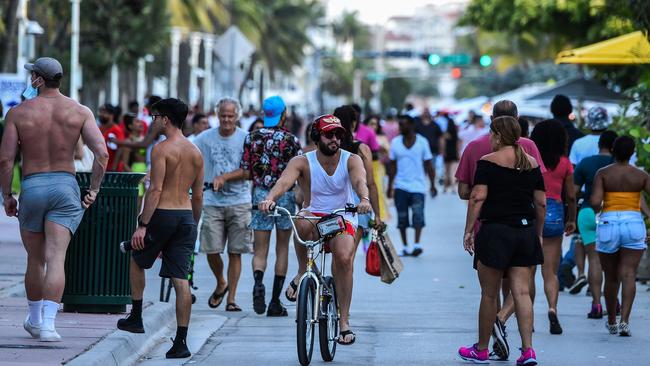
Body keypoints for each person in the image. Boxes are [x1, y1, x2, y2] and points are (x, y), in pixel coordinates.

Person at [0, 57, 108, 341]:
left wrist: (7, 195)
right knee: (56, 258)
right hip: (65, 186)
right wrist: (94, 188)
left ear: (37, 79)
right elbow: (102, 154)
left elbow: (5, 159)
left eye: (32, 75)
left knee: (35, 259)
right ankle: (48, 324)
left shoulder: (19, 113)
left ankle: (34, 320)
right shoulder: (80, 111)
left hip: (33, 186)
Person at [258, 114, 372, 345]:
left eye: (338, 134)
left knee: (343, 258)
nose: (335, 139)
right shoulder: (302, 161)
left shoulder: (351, 159)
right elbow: (283, 182)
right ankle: (302, 273)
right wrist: (270, 199)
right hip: (314, 216)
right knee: (299, 219)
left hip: (343, 215)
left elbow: (360, 181)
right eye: (329, 134)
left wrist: (364, 199)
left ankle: (344, 323)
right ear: (316, 136)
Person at [455, 100, 546, 361]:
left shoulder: (487, 161)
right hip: (524, 232)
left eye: (493, 135)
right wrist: (537, 232)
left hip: (495, 233)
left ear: (498, 135)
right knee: (522, 292)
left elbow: (477, 197)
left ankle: (482, 349)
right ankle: (527, 350)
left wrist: (469, 230)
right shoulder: (530, 162)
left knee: (489, 294)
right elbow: (541, 202)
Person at [116, 98, 204, 359]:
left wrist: (142, 225)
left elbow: (154, 190)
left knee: (137, 258)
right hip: (186, 216)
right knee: (181, 279)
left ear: (165, 119)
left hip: (162, 214)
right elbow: (198, 196)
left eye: (155, 117)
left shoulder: (162, 149)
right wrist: (193, 223)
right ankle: (181, 342)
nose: (153, 121)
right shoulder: (195, 152)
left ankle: (136, 316)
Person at [241, 95, 302, 316]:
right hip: (284, 196)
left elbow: (246, 171)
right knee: (282, 248)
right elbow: (300, 171)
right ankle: (275, 301)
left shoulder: (251, 137)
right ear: (283, 114)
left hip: (259, 195)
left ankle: (258, 284)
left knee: (260, 249)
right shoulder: (291, 140)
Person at [194, 98, 252, 312]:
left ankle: (232, 299)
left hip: (240, 201)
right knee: (211, 249)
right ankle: (221, 281)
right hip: (212, 201)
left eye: (230, 115)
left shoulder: (246, 139)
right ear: (217, 116)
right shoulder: (203, 138)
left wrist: (225, 177)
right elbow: (189, 158)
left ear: (237, 116)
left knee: (235, 251)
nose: (227, 120)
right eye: (223, 115)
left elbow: (251, 171)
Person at [591, 136, 650, 337]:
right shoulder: (641, 175)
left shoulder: (603, 174)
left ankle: (612, 321)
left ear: (613, 151)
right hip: (633, 222)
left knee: (611, 277)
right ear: (632, 152)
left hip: (608, 223)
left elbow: (595, 202)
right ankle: (625, 321)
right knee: (629, 274)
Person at [529, 119, 577, 335]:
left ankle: (527, 317)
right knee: (550, 272)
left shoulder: (530, 161)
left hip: (532, 212)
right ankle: (552, 308)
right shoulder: (565, 163)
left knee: (528, 272)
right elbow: (571, 196)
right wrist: (571, 219)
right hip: (556, 213)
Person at [573, 131, 618, 319]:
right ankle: (614, 302)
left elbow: (574, 192)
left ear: (599, 143)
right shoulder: (619, 165)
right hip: (612, 213)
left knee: (594, 260)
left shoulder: (586, 163)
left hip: (587, 212)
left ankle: (597, 304)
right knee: (613, 262)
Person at [387, 115, 436, 257]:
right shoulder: (395, 142)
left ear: (411, 125)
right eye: (399, 124)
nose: (400, 127)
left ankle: (417, 244)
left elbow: (429, 164)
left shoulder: (422, 142)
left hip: (418, 186)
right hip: (400, 186)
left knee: (418, 215)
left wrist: (432, 185)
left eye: (403, 124)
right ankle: (405, 246)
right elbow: (392, 166)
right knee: (402, 217)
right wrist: (390, 187)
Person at [98, 103, 126, 171]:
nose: (100, 114)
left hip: (112, 170)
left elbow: (120, 148)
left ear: (111, 115)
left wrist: (113, 167)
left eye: (104, 112)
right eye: (100, 111)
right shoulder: (98, 128)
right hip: (100, 168)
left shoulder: (117, 130)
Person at [441, 115, 460, 194]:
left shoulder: (446, 134)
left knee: (446, 171)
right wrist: (457, 153)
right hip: (453, 153)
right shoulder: (455, 134)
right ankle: (453, 187)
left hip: (447, 153)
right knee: (453, 171)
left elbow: (443, 144)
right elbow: (457, 145)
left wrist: (443, 152)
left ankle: (445, 188)